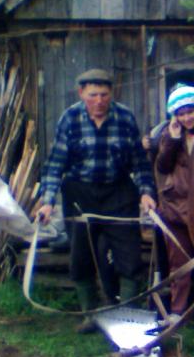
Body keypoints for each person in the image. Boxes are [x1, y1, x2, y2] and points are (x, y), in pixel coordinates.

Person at [37, 69, 156, 333]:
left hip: (118, 193)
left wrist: (146, 192)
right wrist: (48, 201)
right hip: (81, 194)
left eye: (104, 95)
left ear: (111, 94)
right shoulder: (69, 118)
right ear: (81, 94)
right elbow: (55, 163)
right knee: (81, 257)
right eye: (93, 95)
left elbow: (139, 161)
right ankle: (90, 315)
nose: (99, 100)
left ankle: (127, 317)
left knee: (130, 257)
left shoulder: (124, 117)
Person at [155, 84, 194, 332]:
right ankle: (177, 312)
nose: (187, 117)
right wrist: (174, 140)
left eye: (191, 111)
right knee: (178, 263)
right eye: (181, 113)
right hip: (176, 208)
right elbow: (162, 166)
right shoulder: (170, 136)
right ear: (174, 115)